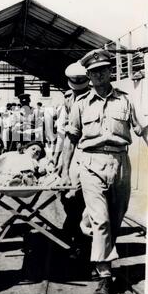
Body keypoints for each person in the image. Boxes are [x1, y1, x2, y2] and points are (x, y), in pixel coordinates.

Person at [60, 48, 148, 294]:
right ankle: (104, 276)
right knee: (101, 221)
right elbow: (70, 139)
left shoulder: (126, 100)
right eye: (93, 72)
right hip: (90, 163)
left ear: (111, 72)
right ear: (88, 76)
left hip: (120, 162)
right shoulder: (79, 104)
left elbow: (144, 130)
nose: (98, 75)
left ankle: (98, 253)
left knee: (116, 217)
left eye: (103, 70)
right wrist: (65, 171)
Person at [55, 61, 90, 258]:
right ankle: (75, 235)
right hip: (71, 154)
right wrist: (59, 162)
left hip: (88, 154)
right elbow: (62, 136)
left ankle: (82, 244)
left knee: (86, 202)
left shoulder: (93, 99)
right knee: (69, 198)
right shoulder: (68, 102)